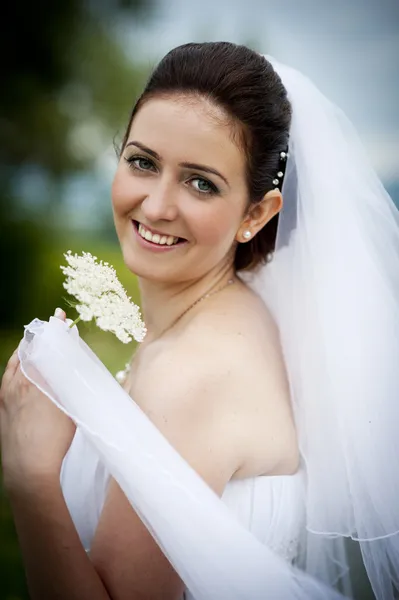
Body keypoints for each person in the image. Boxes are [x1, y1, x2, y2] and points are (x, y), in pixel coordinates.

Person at [1, 42, 398, 600]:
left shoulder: (195, 374)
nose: (157, 205)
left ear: (257, 214)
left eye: (200, 182)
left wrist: (30, 476)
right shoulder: (239, 314)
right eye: (143, 162)